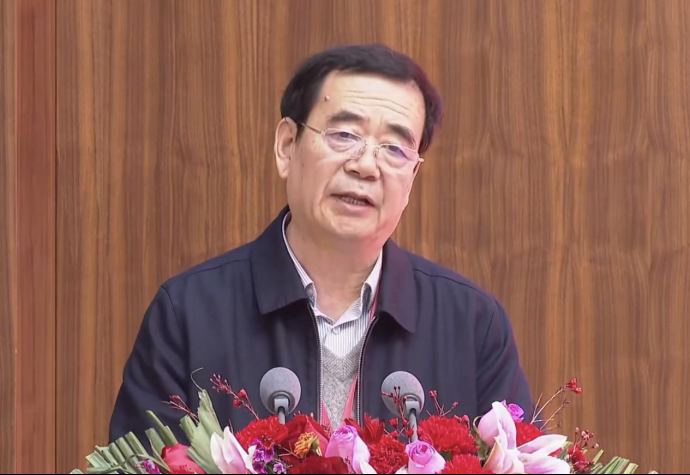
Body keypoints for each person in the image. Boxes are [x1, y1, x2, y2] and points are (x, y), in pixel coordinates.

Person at [109, 43, 533, 443]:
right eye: (344, 135)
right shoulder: (188, 314)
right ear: (286, 146)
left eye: (395, 148)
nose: (366, 165)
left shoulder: (472, 324)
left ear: (412, 178)